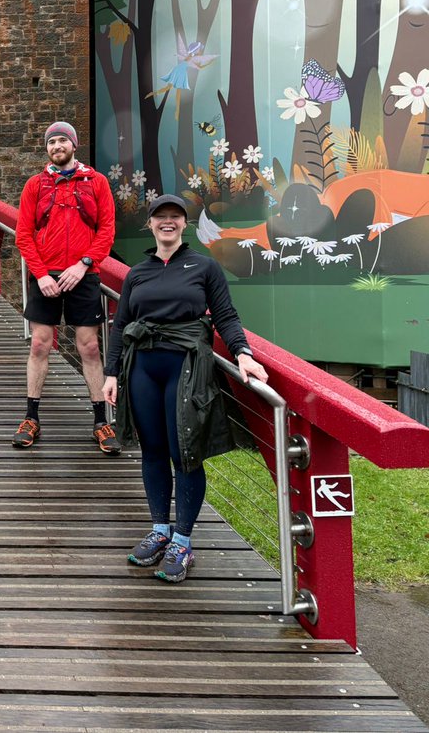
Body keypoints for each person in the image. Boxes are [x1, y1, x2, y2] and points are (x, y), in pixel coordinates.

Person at [102, 194, 268, 584]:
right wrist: (111, 373)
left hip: (186, 367)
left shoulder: (204, 266)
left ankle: (183, 541)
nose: (168, 222)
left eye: (175, 216)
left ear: (184, 224)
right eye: (160, 216)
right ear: (149, 224)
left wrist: (243, 353)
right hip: (143, 367)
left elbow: (225, 314)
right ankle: (160, 530)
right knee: (153, 450)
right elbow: (120, 324)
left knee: (185, 451)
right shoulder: (137, 273)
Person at [14, 121, 118, 453]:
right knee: (39, 345)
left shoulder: (96, 182)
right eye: (51, 142)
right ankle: (31, 418)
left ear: (74, 145)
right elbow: (23, 235)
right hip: (45, 276)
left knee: (89, 347)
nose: (57, 146)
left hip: (83, 275)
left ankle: (101, 422)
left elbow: (107, 229)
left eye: (62, 140)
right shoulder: (35, 184)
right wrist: (41, 274)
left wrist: (84, 263)